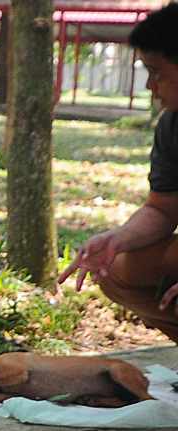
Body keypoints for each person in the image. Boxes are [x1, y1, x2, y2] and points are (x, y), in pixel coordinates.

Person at [59, 2, 178, 343]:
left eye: (157, 72)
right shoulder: (171, 126)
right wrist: (116, 239)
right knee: (116, 269)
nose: (149, 87)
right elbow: (162, 209)